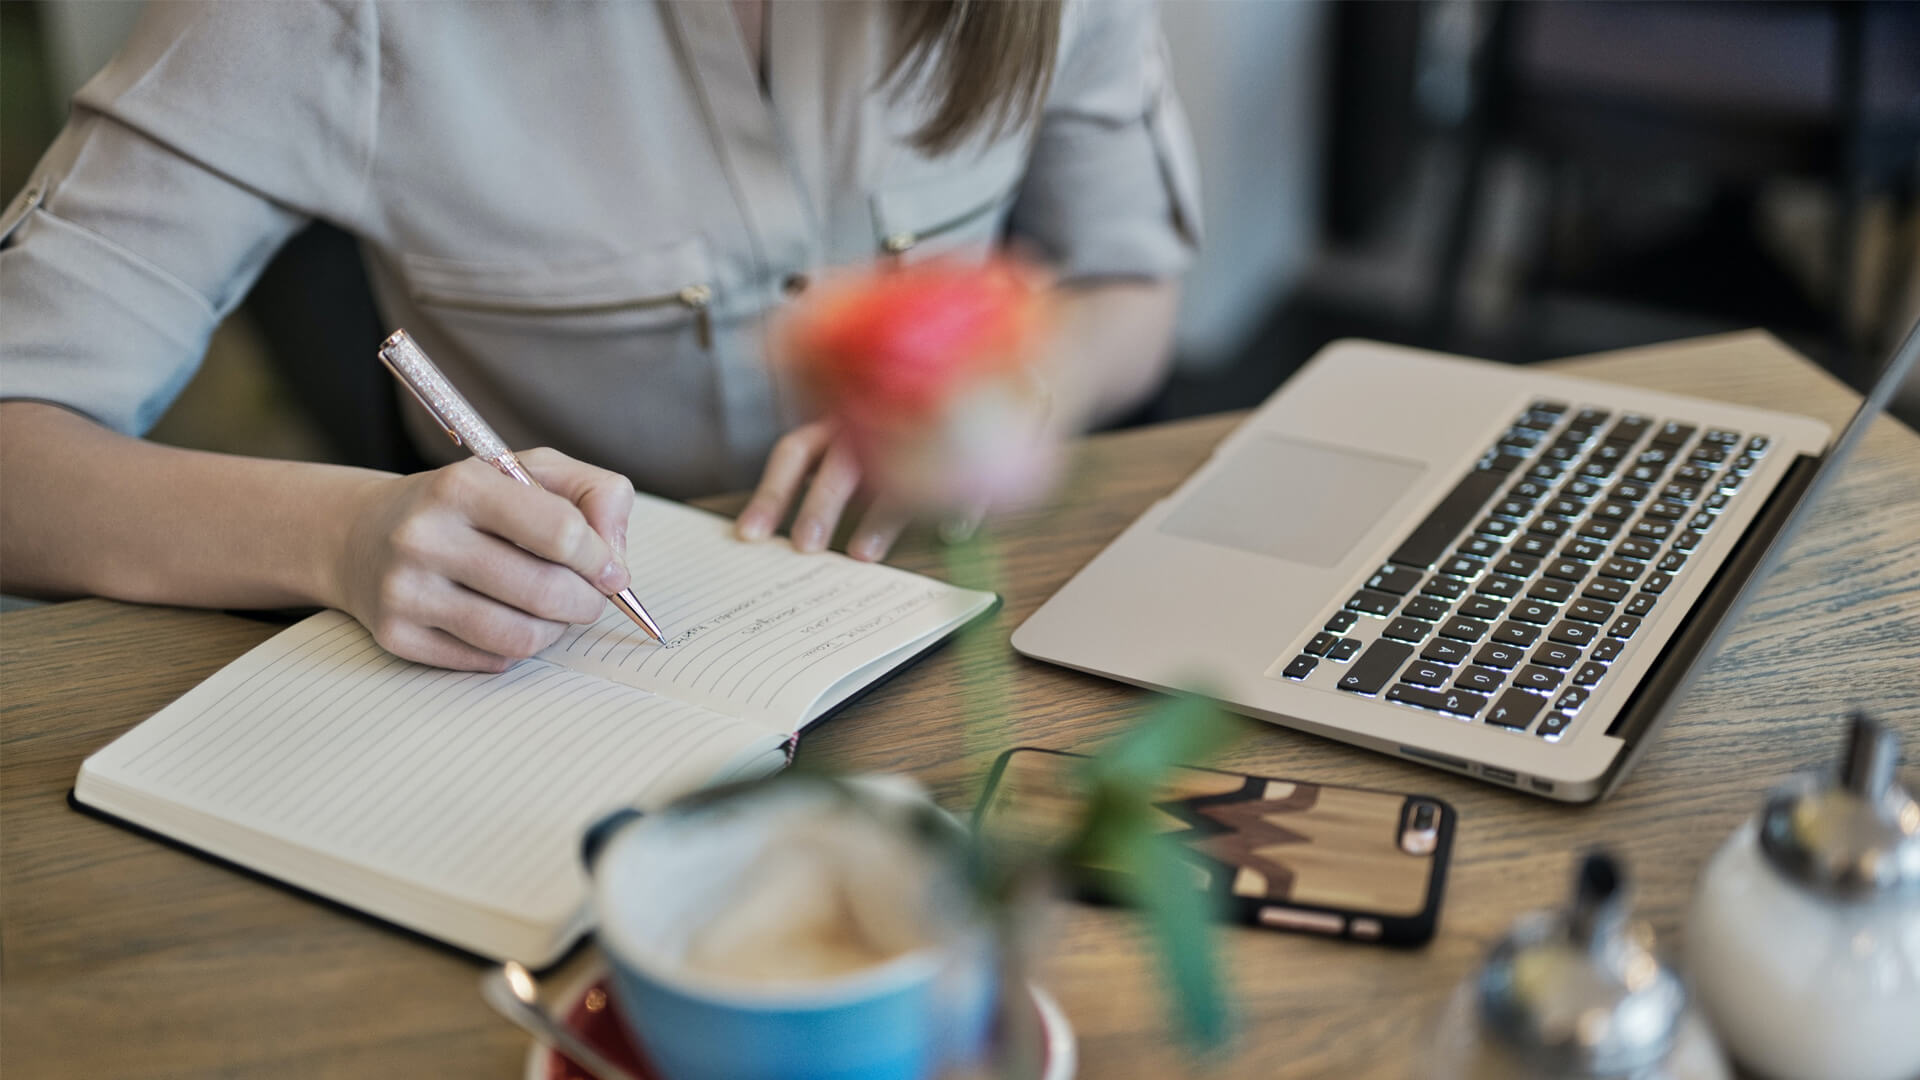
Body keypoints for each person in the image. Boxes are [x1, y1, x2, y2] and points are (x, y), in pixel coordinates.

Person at [0, 0, 1200, 671]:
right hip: (568, 676)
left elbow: (1131, 288)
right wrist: (344, 532)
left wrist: (1024, 385)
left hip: (971, 635)